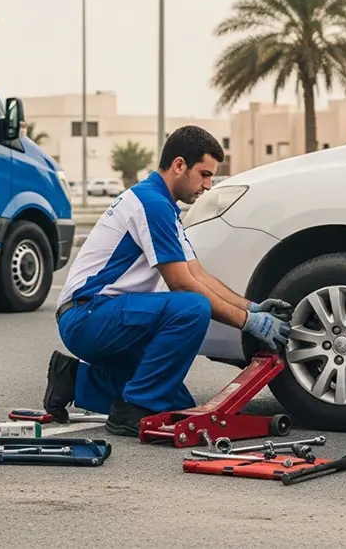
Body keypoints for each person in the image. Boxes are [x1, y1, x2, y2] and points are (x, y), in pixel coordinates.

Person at [43, 125, 293, 437]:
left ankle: (72, 379)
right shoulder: (152, 204)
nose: (208, 184)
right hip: (87, 315)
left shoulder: (163, 205)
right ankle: (132, 410)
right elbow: (183, 285)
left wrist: (253, 308)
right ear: (178, 165)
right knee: (191, 308)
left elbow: (197, 274)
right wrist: (248, 323)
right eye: (204, 174)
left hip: (104, 316)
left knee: (175, 401)